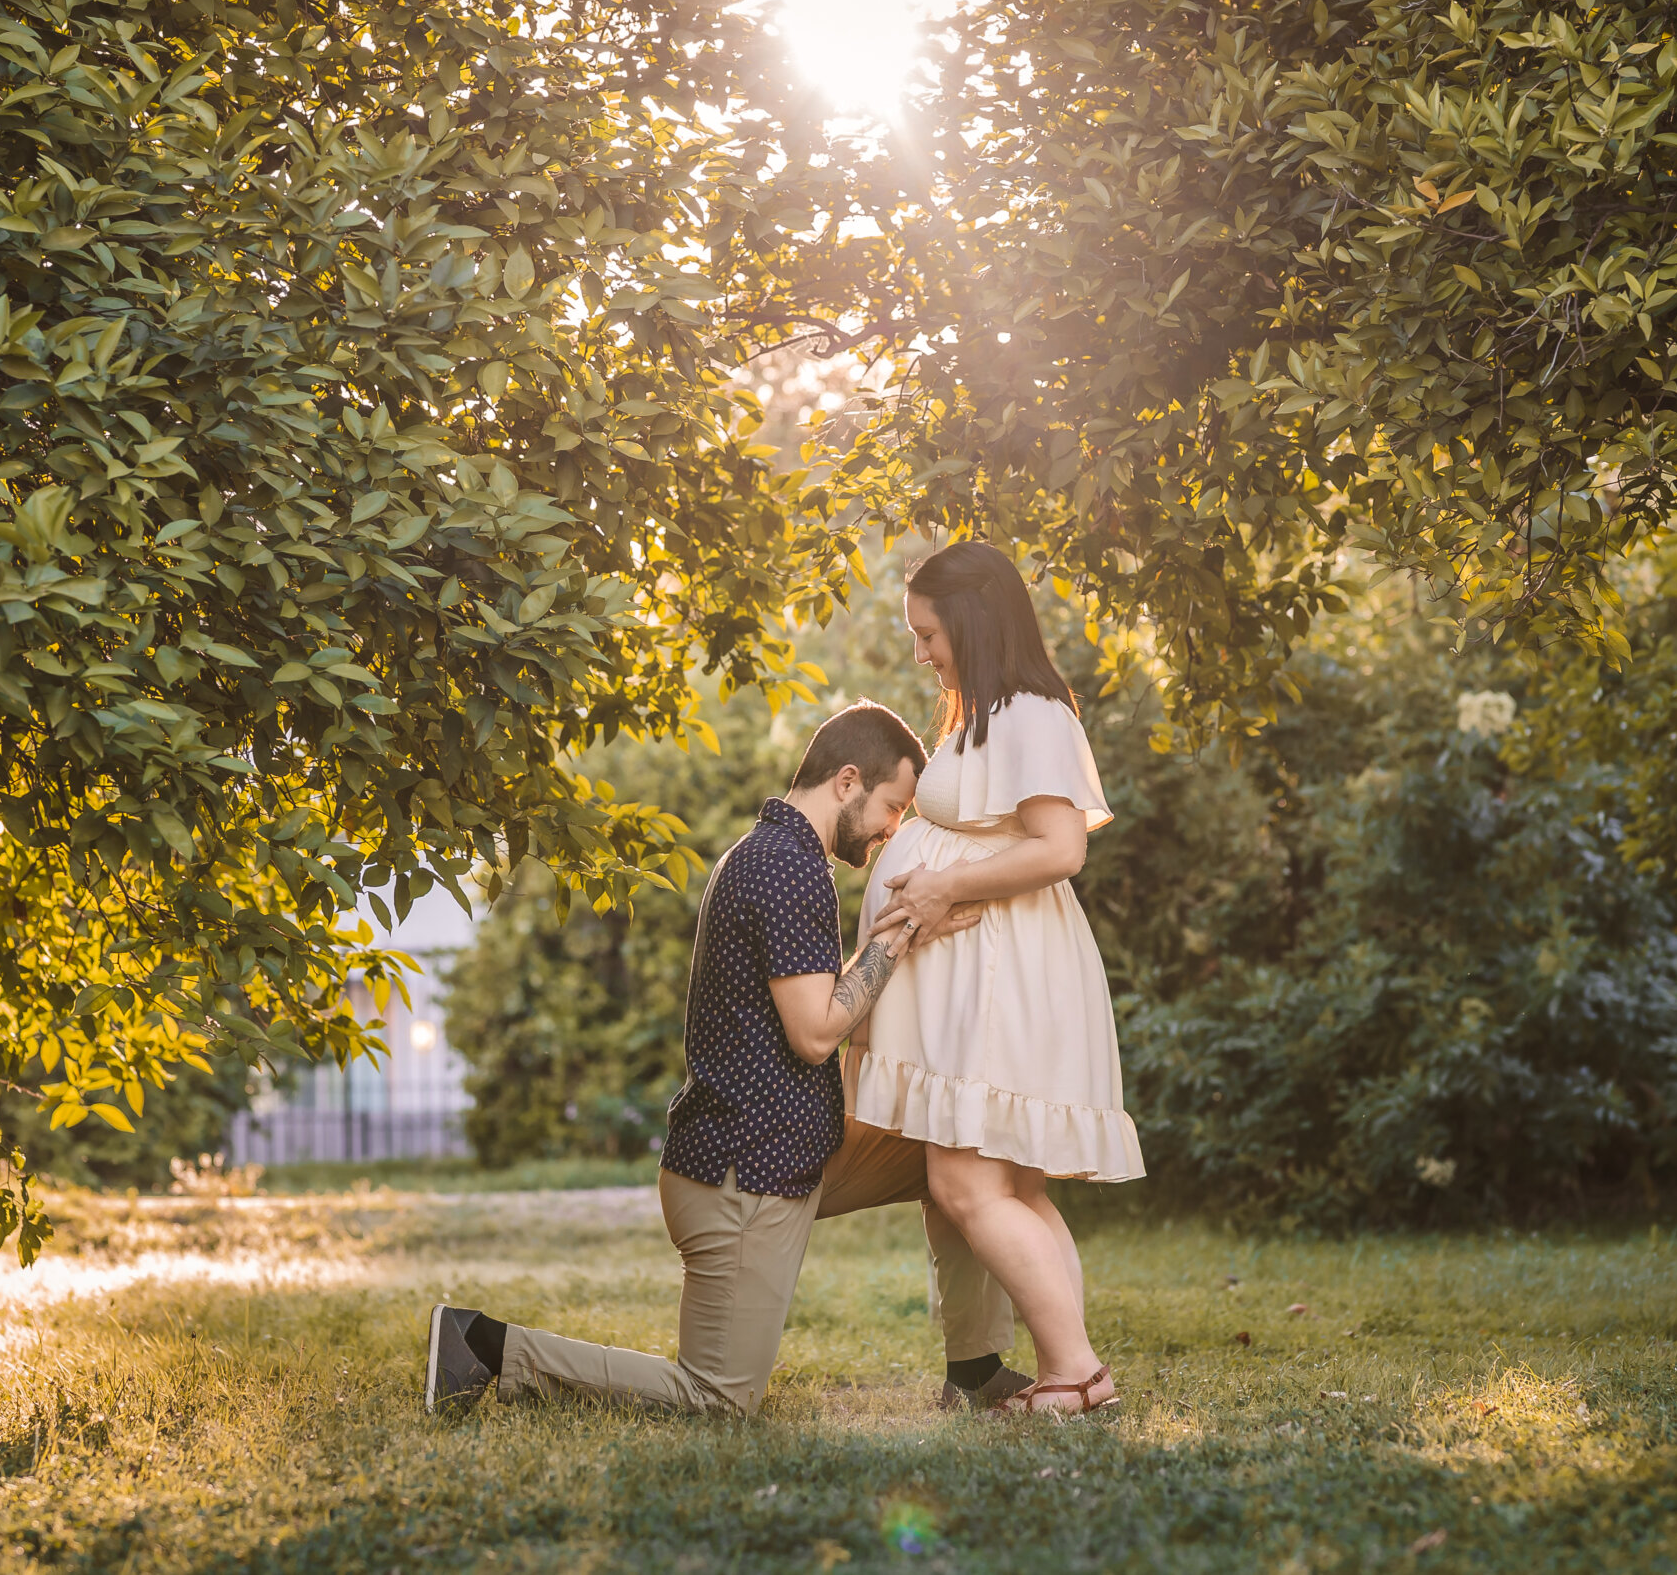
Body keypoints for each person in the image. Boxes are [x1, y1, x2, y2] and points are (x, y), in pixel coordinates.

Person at [423, 700, 1030, 1414]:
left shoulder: (782, 858)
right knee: (718, 1395)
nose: (890, 829)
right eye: (891, 806)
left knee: (956, 1147)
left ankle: (977, 1367)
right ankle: (483, 1344)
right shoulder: (783, 868)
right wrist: (900, 935)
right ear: (846, 780)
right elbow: (815, 1031)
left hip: (790, 1149)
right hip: (742, 1174)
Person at [852, 541, 1144, 1417]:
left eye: (929, 632)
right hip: (988, 976)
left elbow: (1062, 848)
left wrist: (941, 884)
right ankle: (1073, 1370)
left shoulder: (1028, 713)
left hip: (1004, 979)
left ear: (973, 618)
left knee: (968, 1186)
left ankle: (1078, 1370)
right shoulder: (986, 712)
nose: (921, 653)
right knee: (1011, 1189)